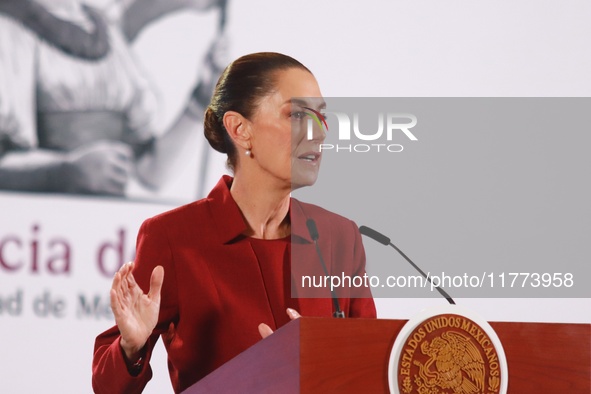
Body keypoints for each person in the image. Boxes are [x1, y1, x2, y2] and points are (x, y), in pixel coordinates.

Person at [92, 52, 376, 393]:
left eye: (322, 118)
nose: (317, 133)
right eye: (297, 115)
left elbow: (372, 370)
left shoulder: (338, 238)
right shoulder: (172, 237)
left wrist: (322, 364)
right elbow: (108, 387)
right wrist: (131, 347)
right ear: (240, 130)